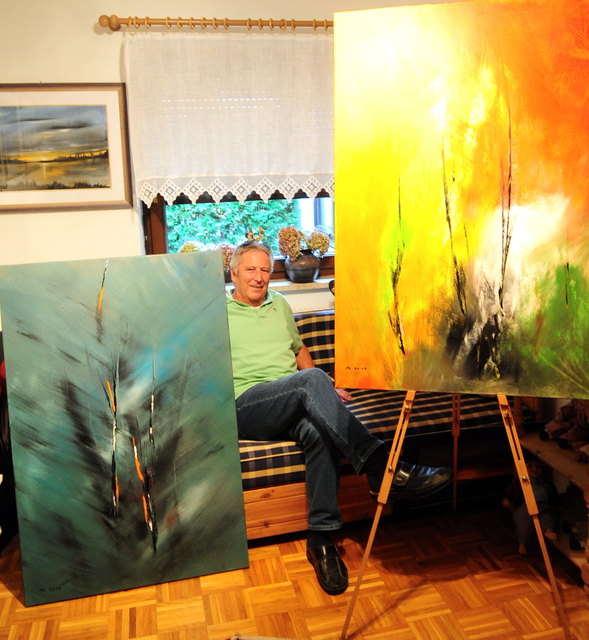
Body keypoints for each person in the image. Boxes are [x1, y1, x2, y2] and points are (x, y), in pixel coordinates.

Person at [226, 241, 452, 595]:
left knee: (319, 432)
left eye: (265, 270)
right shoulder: (218, 313)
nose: (259, 277)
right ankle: (382, 466)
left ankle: (322, 540)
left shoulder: (279, 304)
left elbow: (299, 349)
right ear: (234, 273)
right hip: (247, 405)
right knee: (312, 381)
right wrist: (315, 383)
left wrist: (322, 389)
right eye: (251, 269)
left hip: (290, 399)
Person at [502, 455, 558, 555]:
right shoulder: (522, 481)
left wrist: (557, 503)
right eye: (530, 466)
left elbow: (553, 494)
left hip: (543, 507)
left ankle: (548, 530)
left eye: (538, 467)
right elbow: (512, 489)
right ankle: (522, 543)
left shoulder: (545, 483)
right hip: (525, 507)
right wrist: (507, 498)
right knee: (523, 524)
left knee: (548, 517)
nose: (534, 469)